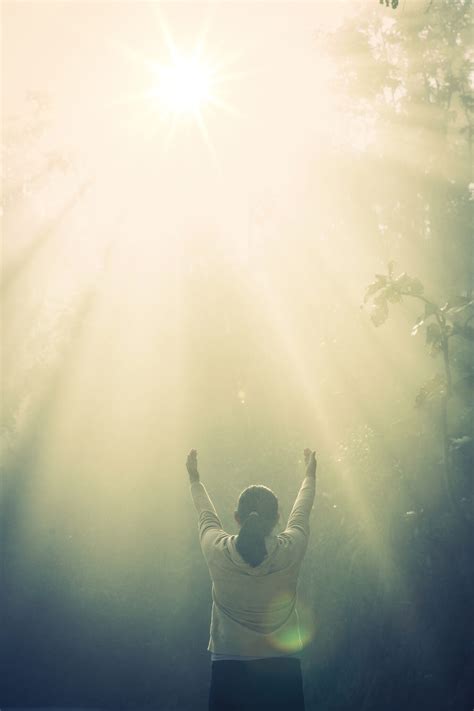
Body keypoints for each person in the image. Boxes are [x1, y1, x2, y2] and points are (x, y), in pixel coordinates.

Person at [186, 446, 317, 711]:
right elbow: (302, 510)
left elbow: (205, 515)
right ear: (277, 518)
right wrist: (310, 475)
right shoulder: (291, 548)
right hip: (283, 669)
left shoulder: (217, 549)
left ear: (236, 518)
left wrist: (194, 479)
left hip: (228, 671)